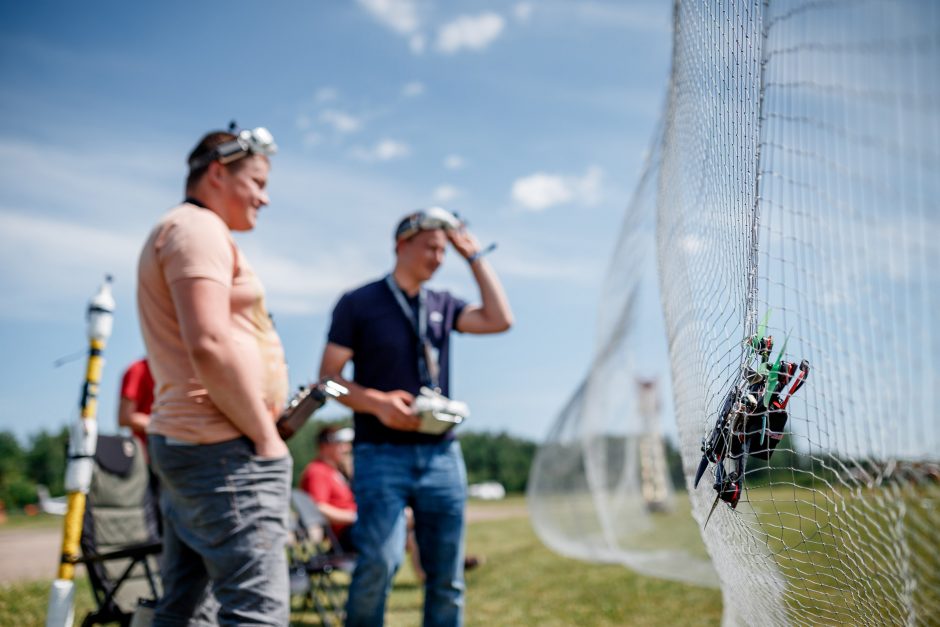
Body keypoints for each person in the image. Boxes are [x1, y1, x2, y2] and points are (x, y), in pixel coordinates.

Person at [319, 207, 513, 626]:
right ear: (401, 244)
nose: (439, 258)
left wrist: (475, 258)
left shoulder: (442, 303)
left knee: (447, 576)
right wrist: (378, 403)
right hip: (379, 453)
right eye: (430, 247)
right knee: (380, 563)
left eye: (444, 251)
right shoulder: (359, 303)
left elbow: (499, 320)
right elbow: (329, 380)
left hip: (441, 455)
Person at [137, 125, 291, 626]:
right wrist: (267, 438)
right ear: (219, 172)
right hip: (220, 451)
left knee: (184, 611)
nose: (265, 199)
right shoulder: (196, 229)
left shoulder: (193, 230)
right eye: (258, 182)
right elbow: (207, 341)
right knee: (257, 613)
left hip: (201, 445)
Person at [299, 425, 357, 551]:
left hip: (351, 528)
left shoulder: (333, 471)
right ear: (325, 446)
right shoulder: (317, 471)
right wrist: (354, 517)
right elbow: (319, 507)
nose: (347, 448)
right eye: (340, 444)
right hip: (345, 532)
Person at [117, 357, 154, 455]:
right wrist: (165, 426)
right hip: (147, 452)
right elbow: (124, 417)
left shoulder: (177, 370)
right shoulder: (138, 369)